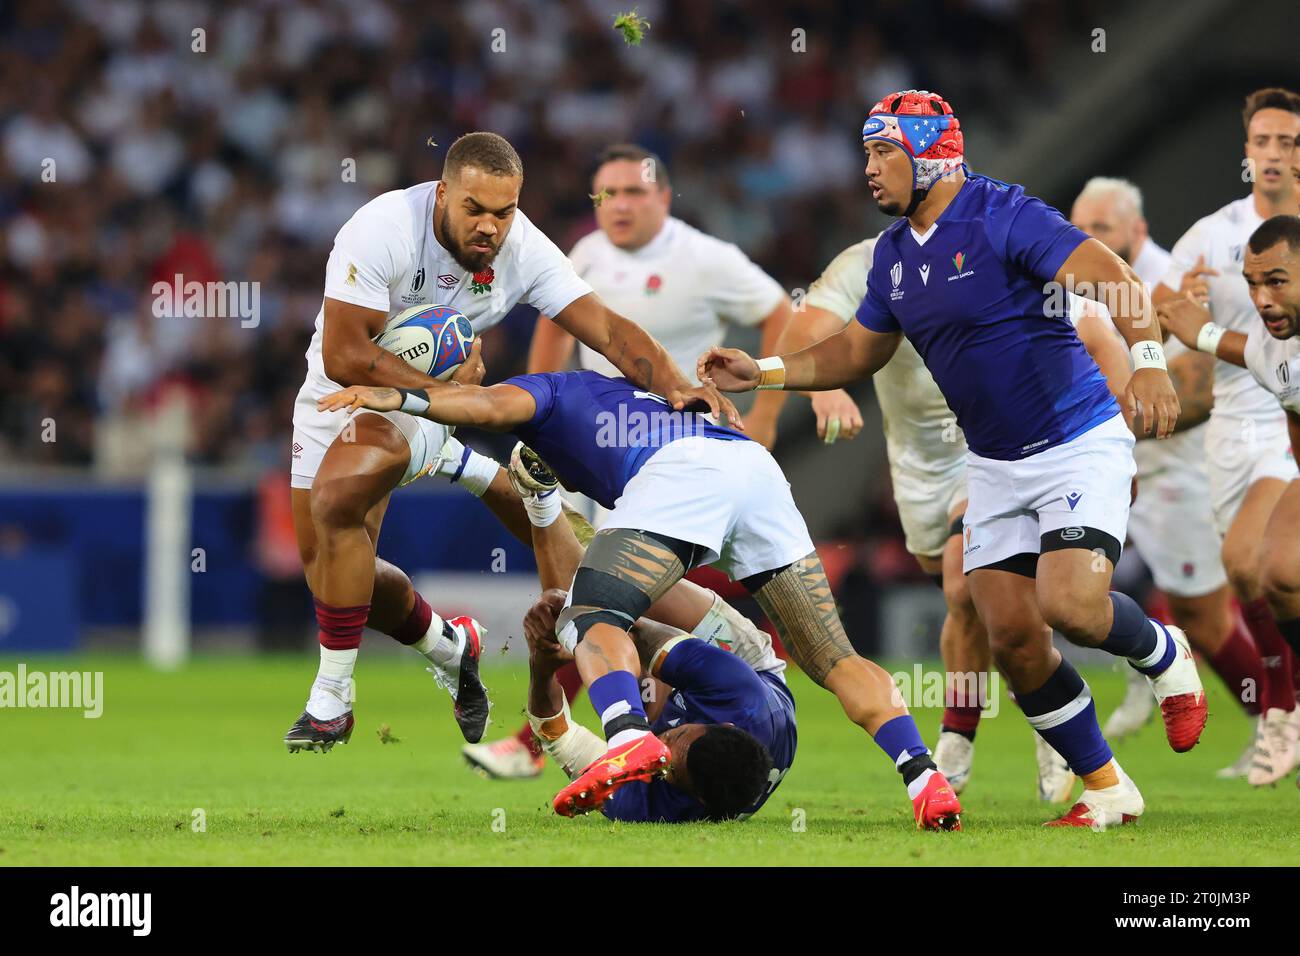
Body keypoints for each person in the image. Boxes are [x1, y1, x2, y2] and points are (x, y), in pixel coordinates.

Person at [699, 89, 1206, 830]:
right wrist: (765, 372)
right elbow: (854, 350)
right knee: (1012, 639)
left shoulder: (1005, 214)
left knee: (1071, 608)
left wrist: (1152, 360)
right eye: (866, 152)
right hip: (996, 463)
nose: (868, 169)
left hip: (1076, 440)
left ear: (931, 156)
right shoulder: (895, 256)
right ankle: (1107, 787)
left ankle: (1163, 650)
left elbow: (1115, 280)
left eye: (883, 154)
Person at [317, 369, 962, 829]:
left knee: (593, 611)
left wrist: (405, 397)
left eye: (666, 747)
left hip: (688, 473)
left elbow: (557, 734)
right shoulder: (737, 711)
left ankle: (625, 728)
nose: (673, 741)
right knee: (830, 655)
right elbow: (641, 655)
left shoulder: (554, 391)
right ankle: (923, 778)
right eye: (672, 744)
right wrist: (560, 644)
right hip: (754, 515)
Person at [283, 131, 735, 753]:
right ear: (443, 194)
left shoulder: (525, 251)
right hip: (332, 392)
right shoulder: (381, 227)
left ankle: (331, 698)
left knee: (338, 501)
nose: (491, 227)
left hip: (421, 402)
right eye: (475, 210)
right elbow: (343, 354)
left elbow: (604, 328)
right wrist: (438, 388)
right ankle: (452, 644)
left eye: (505, 211)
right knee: (332, 574)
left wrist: (678, 386)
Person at [468, 143, 796, 778]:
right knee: (591, 593)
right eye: (606, 195)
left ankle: (596, 731)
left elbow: (782, 310)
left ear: (664, 198)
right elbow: (556, 329)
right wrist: (543, 420)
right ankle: (612, 733)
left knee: (616, 599)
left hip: (683, 465)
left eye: (633, 192)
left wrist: (767, 415)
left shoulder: (706, 258)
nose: (618, 206)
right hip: (603, 456)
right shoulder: (587, 253)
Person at [761, 236, 1127, 804]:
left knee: (964, 585)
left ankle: (962, 733)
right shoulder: (869, 261)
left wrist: (1118, 436)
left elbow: (1096, 331)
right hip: (915, 463)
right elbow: (805, 327)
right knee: (978, 603)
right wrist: (825, 388)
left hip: (989, 449)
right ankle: (1050, 708)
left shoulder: (997, 242)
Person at [1070, 178, 1265, 765]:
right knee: (1056, 585)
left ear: (1139, 232)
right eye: (1081, 227)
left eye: (1102, 229)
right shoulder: (1069, 278)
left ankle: (1274, 718)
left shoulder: (1172, 282)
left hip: (1173, 467)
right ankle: (1136, 674)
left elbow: (1194, 395)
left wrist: (1106, 421)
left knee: (1207, 613)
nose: (1089, 239)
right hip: (1102, 460)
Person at [1149, 89, 1300, 786]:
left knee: (1258, 561)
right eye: (1263, 142)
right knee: (1253, 572)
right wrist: (1184, 315)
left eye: (1288, 142)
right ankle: (1281, 707)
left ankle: (1280, 709)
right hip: (1233, 414)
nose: (1274, 155)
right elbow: (1170, 315)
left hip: (1281, 420)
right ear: (1246, 151)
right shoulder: (1213, 236)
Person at [516, 452, 795, 822]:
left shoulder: (651, 807)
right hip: (749, 662)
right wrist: (579, 615)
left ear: (695, 799)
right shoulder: (739, 695)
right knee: (621, 587)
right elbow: (640, 631)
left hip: (688, 711)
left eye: (669, 770)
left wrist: (543, 662)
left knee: (590, 599)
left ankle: (521, 489)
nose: (660, 748)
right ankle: (541, 503)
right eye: (677, 738)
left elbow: (557, 735)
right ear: (720, 726)